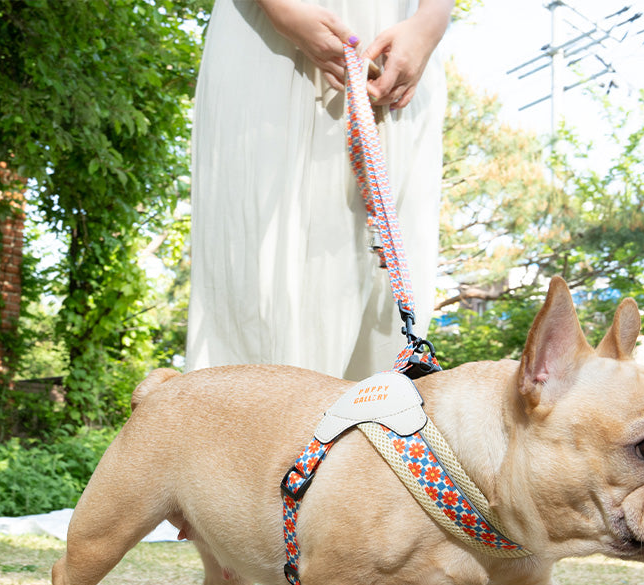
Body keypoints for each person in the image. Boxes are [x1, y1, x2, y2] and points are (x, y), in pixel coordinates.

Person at [186, 0, 453, 380]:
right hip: (270, 42)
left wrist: (431, 21)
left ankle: (371, 427)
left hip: (405, 46)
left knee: (384, 321)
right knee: (261, 300)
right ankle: (253, 428)